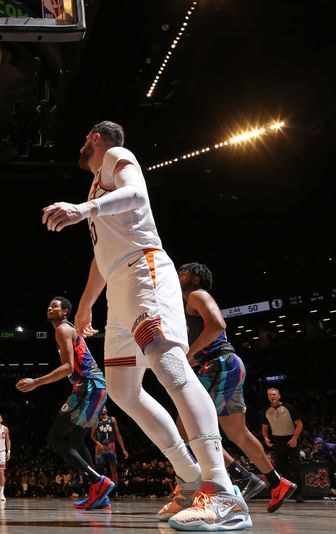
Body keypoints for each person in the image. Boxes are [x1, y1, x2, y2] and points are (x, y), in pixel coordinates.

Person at [42, 121, 250, 530]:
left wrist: (82, 209)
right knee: (122, 390)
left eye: (85, 139)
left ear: (97, 138)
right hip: (119, 288)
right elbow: (101, 261)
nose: (83, 146)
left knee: (170, 366)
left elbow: (138, 193)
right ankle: (190, 479)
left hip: (144, 271)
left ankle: (223, 490)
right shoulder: (98, 190)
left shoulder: (117, 158)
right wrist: (85, 306)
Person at [177, 262, 297, 511]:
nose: (179, 274)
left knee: (185, 428)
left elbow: (219, 325)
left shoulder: (198, 295)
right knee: (237, 433)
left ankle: (243, 477)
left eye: (184, 271)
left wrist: (192, 352)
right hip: (227, 365)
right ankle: (276, 482)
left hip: (219, 364)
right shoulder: (186, 303)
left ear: (196, 278)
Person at [16, 296, 114, 510]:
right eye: (49, 304)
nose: (50, 307)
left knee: (55, 438)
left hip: (88, 387)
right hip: (96, 388)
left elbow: (69, 367)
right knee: (77, 438)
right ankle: (98, 495)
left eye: (55, 306)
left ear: (65, 312)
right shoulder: (66, 330)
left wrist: (36, 382)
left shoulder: (62, 329)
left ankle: (98, 481)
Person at [261, 388, 304, 503]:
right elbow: (265, 427)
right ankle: (293, 489)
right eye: (269, 395)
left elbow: (299, 424)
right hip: (277, 440)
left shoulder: (288, 407)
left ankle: (299, 494)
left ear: (279, 396)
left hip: (290, 438)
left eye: (274, 394)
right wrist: (265, 437)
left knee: (295, 466)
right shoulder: (266, 410)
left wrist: (295, 438)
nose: (272, 396)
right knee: (281, 468)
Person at [90, 404, 128, 489]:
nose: (104, 408)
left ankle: (115, 490)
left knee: (113, 470)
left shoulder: (112, 419)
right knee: (100, 470)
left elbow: (118, 435)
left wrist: (123, 449)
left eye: (104, 407)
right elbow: (92, 435)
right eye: (102, 407)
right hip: (100, 447)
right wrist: (98, 443)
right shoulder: (96, 421)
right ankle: (100, 490)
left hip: (111, 446)